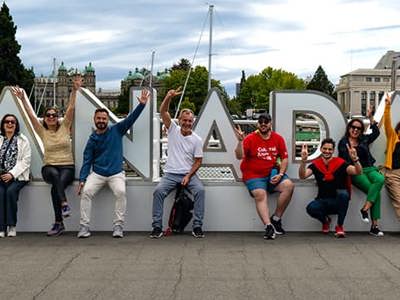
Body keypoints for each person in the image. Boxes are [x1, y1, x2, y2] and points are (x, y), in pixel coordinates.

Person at [11, 76, 82, 236]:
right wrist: (23, 99)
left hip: (67, 166)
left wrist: (74, 90)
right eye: (48, 115)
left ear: (57, 118)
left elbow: (70, 108)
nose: (51, 117)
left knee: (54, 189)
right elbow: (30, 116)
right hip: (49, 167)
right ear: (45, 118)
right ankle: (64, 203)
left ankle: (59, 223)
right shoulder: (42, 131)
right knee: (54, 175)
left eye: (53, 115)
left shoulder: (65, 127)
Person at [77, 89, 150, 238]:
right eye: (99, 119)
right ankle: (84, 227)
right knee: (86, 193)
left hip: (116, 173)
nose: (101, 121)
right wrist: (82, 179)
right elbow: (87, 160)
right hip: (97, 174)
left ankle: (118, 226)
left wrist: (142, 105)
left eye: (104, 118)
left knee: (121, 192)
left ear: (107, 119)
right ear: (94, 120)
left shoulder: (117, 130)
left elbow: (131, 120)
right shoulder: (92, 139)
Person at [150, 87, 205, 239]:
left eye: (190, 121)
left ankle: (197, 226)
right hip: (170, 174)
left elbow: (198, 161)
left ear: (193, 122)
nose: (187, 123)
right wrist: (168, 96)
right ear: (179, 121)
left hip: (189, 174)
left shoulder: (197, 140)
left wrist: (188, 175)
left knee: (200, 191)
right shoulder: (173, 129)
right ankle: (156, 227)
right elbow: (163, 112)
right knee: (158, 192)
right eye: (184, 120)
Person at [234, 114, 294, 240]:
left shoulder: (278, 138)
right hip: (253, 175)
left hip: (272, 174)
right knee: (261, 194)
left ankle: (276, 219)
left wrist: (281, 174)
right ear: (257, 124)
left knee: (289, 186)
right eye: (260, 121)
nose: (263, 124)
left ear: (270, 123)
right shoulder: (250, 138)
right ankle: (268, 226)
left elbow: (284, 158)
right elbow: (239, 156)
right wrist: (240, 141)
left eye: (266, 121)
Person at [299, 138, 362, 237]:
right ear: (320, 149)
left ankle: (339, 226)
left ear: (333, 151)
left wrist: (355, 159)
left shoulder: (341, 163)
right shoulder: (316, 165)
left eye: (330, 149)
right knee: (311, 208)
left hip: (338, 202)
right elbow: (302, 176)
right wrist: (303, 161)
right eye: (325, 149)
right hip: (322, 200)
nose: (327, 151)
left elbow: (358, 172)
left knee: (344, 194)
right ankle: (325, 221)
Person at [338, 113, 385, 237]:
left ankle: (365, 208)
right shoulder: (344, 143)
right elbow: (344, 162)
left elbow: (376, 133)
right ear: (349, 128)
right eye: (353, 127)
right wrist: (354, 159)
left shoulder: (364, 139)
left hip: (370, 168)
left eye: (358, 128)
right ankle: (374, 226)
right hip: (356, 171)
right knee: (375, 192)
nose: (355, 130)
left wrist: (370, 118)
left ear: (361, 130)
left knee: (380, 179)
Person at [0, 114, 31, 237]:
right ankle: (1, 228)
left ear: (16, 125)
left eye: (13, 122)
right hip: (1, 177)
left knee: (10, 192)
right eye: (7, 122)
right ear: (3, 125)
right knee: (1, 193)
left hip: (18, 177)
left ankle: (11, 226)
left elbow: (26, 161)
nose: (10, 124)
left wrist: (11, 174)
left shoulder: (23, 140)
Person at [382, 93, 400, 219]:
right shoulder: (393, 137)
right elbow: (387, 123)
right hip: (393, 173)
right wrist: (387, 106)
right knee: (399, 200)